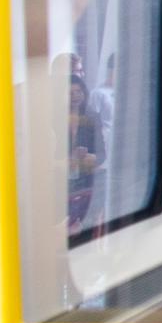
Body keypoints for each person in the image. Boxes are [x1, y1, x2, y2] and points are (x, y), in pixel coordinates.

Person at [66, 73, 102, 230]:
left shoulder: (92, 117)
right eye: (70, 93)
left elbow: (102, 155)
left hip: (85, 183)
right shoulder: (53, 119)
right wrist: (70, 157)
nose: (75, 96)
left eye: (78, 92)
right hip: (61, 184)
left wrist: (88, 157)